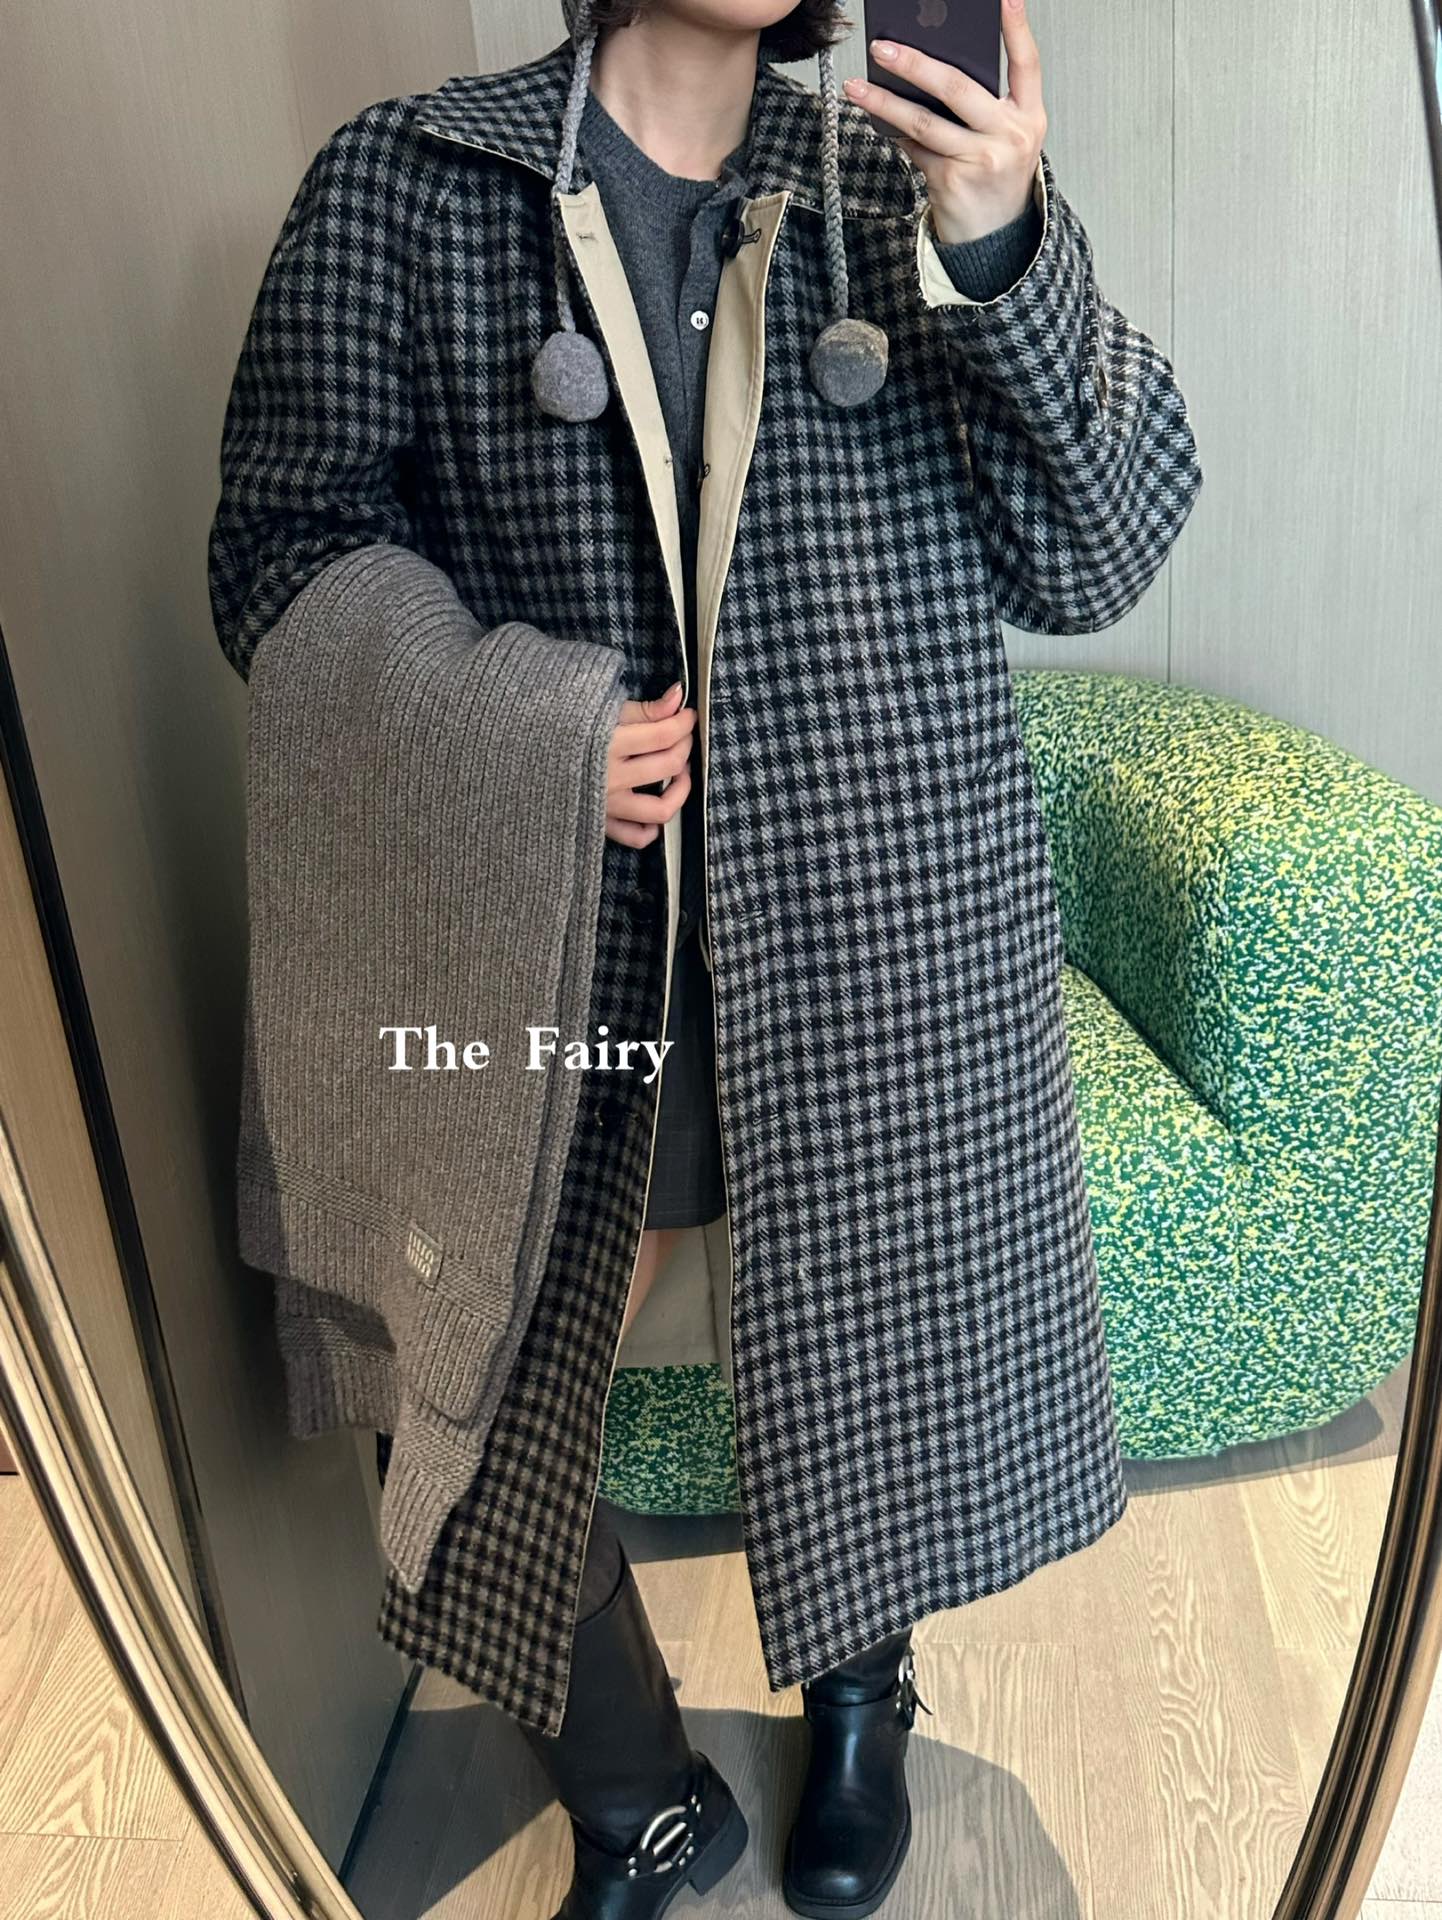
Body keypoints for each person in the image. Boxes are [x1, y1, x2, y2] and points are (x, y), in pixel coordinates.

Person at [209, 2, 1202, 1913]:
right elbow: (279, 558)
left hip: (871, 929)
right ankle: (634, 1791)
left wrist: (1000, 235)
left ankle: (860, 1702)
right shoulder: (407, 185)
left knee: (873, 1321)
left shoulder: (898, 192)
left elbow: (1094, 557)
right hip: (555, 940)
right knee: (467, 1370)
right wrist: (523, 726)